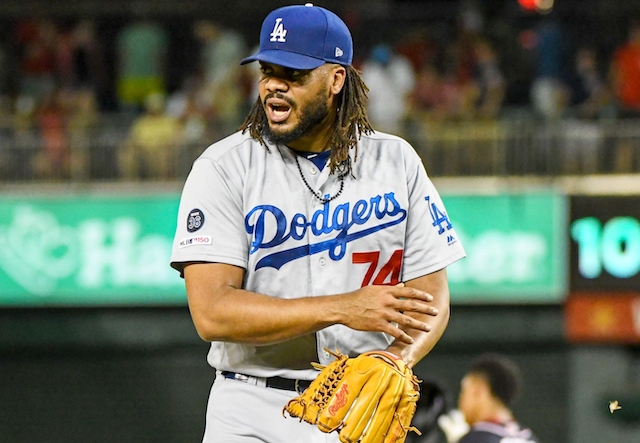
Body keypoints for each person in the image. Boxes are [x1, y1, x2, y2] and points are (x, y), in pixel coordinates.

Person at [170, 4, 466, 442]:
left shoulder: (395, 161)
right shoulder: (223, 167)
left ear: (335, 79)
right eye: (268, 71)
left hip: (358, 405)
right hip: (250, 406)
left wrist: (398, 358)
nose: (274, 87)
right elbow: (212, 313)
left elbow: (431, 294)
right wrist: (343, 308)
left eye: (293, 74)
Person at [437, 354, 539, 443]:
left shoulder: (476, 439)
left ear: (477, 391)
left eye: (464, 392)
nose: (461, 401)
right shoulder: (528, 437)